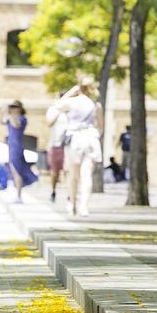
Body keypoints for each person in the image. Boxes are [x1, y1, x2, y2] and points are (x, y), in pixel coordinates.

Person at [61, 78, 104, 216]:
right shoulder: (96, 105)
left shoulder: (72, 102)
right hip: (91, 138)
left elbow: (57, 104)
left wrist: (70, 92)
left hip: (75, 139)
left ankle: (72, 203)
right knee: (86, 174)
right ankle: (83, 206)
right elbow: (100, 126)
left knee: (73, 175)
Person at [1, 100, 38, 201]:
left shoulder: (22, 119)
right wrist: (4, 111)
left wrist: (11, 115)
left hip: (17, 146)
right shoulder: (10, 117)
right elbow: (2, 121)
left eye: (15, 107)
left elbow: (16, 125)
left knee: (17, 170)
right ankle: (17, 193)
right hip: (11, 146)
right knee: (13, 169)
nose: (13, 109)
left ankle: (19, 195)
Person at [45, 92, 71, 201]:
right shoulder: (53, 109)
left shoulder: (71, 110)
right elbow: (49, 123)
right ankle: (53, 191)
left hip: (68, 144)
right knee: (55, 171)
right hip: (55, 144)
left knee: (68, 170)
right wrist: (59, 111)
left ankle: (70, 193)